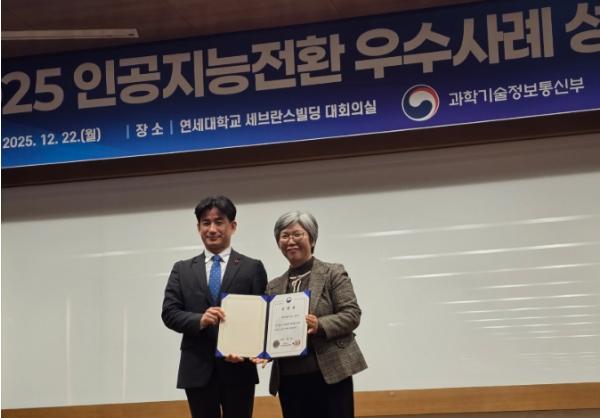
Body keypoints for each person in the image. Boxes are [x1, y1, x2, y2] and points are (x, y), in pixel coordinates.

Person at [162, 196, 267, 418]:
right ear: (198, 227)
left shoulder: (252, 267)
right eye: (205, 223)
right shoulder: (182, 269)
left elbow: (262, 317)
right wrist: (199, 319)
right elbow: (169, 313)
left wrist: (248, 353)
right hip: (196, 368)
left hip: (239, 368)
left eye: (219, 222)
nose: (212, 229)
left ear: (233, 226)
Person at [266, 210, 367, 418]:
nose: (290, 241)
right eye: (284, 236)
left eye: (297, 234)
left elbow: (352, 314)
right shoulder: (273, 286)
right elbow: (267, 328)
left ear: (312, 239)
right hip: (289, 379)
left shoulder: (332, 273)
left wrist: (320, 325)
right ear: (278, 243)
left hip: (331, 374)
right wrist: (260, 349)